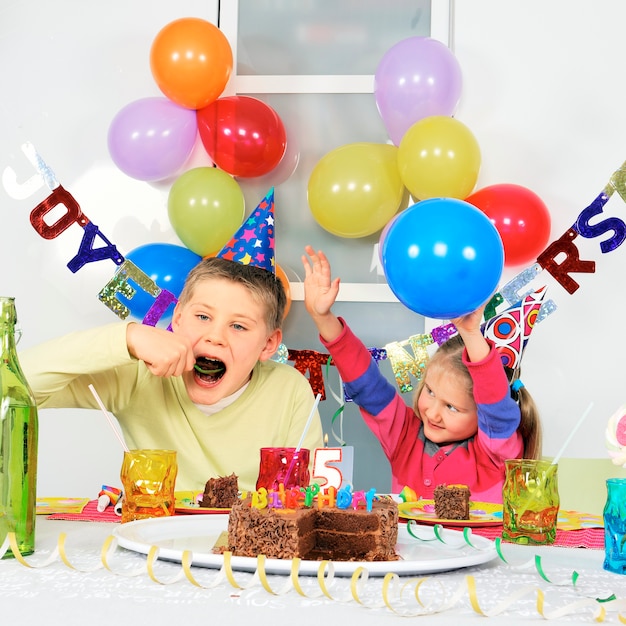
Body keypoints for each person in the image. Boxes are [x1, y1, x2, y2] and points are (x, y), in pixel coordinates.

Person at [20, 257, 323, 492]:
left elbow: (307, 498)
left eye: (238, 326)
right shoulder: (137, 374)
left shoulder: (289, 390)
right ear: (177, 318)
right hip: (151, 551)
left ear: (269, 344)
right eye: (203, 317)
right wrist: (129, 337)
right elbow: (16, 384)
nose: (215, 337)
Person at [302, 245, 541, 503]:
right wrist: (322, 317)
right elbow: (367, 385)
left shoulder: (495, 453)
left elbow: (496, 408)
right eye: (430, 392)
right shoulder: (403, 435)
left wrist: (471, 334)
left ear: (482, 413)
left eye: (452, 407)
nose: (433, 412)